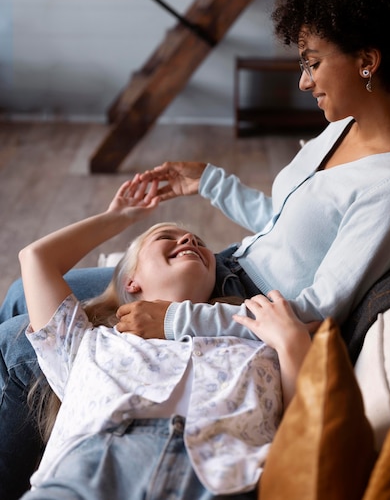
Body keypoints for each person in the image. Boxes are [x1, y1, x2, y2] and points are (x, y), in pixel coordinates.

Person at [1, 0, 390, 496]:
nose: (303, 82)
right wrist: (210, 182)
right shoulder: (340, 129)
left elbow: (319, 311)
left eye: (312, 62)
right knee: (18, 295)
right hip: (225, 267)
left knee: (17, 344)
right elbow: (283, 223)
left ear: (368, 59)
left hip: (234, 313)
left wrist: (176, 319)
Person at [17, 173, 312, 499]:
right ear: (131, 280)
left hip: (222, 481)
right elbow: (35, 258)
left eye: (199, 243)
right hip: (92, 468)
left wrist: (292, 342)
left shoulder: (255, 337)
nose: (190, 241)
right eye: (167, 237)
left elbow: (298, 424)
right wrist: (118, 217)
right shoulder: (88, 341)